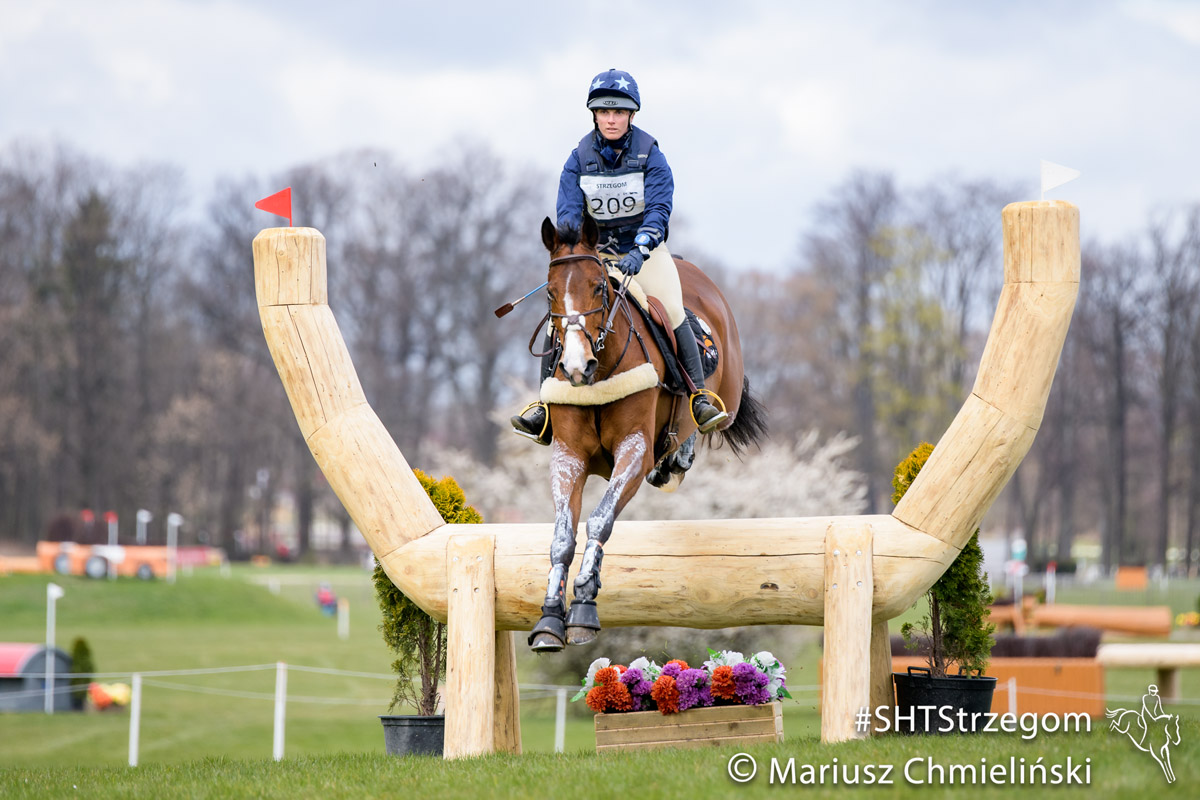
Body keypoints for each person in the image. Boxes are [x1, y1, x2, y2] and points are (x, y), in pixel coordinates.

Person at [511, 68, 728, 445]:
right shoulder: (577, 159)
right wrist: (579, 252)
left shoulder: (651, 155)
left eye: (619, 112)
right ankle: (545, 406)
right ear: (594, 115)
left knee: (673, 311)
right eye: (604, 112)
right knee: (562, 317)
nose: (611, 119)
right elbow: (567, 214)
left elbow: (659, 209)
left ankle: (698, 398)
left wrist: (641, 248)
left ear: (631, 116)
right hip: (595, 255)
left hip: (644, 253)